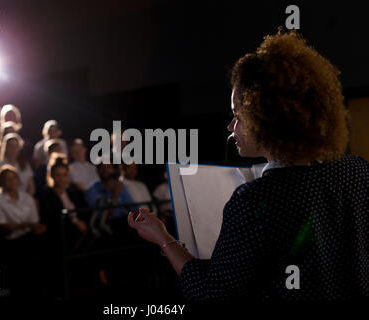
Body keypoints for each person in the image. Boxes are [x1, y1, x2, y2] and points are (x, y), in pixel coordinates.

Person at [128, 30, 368, 301]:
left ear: (266, 116)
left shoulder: (254, 200)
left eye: (237, 115)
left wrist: (163, 239)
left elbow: (211, 294)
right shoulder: (357, 170)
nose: (231, 127)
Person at [0, 164, 47, 297]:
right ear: (1, 182)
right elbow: (2, 225)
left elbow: (35, 222)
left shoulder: (26, 197)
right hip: (9, 242)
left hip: (28, 238)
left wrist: (35, 227)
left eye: (14, 178)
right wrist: (28, 225)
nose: (12, 181)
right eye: (7, 179)